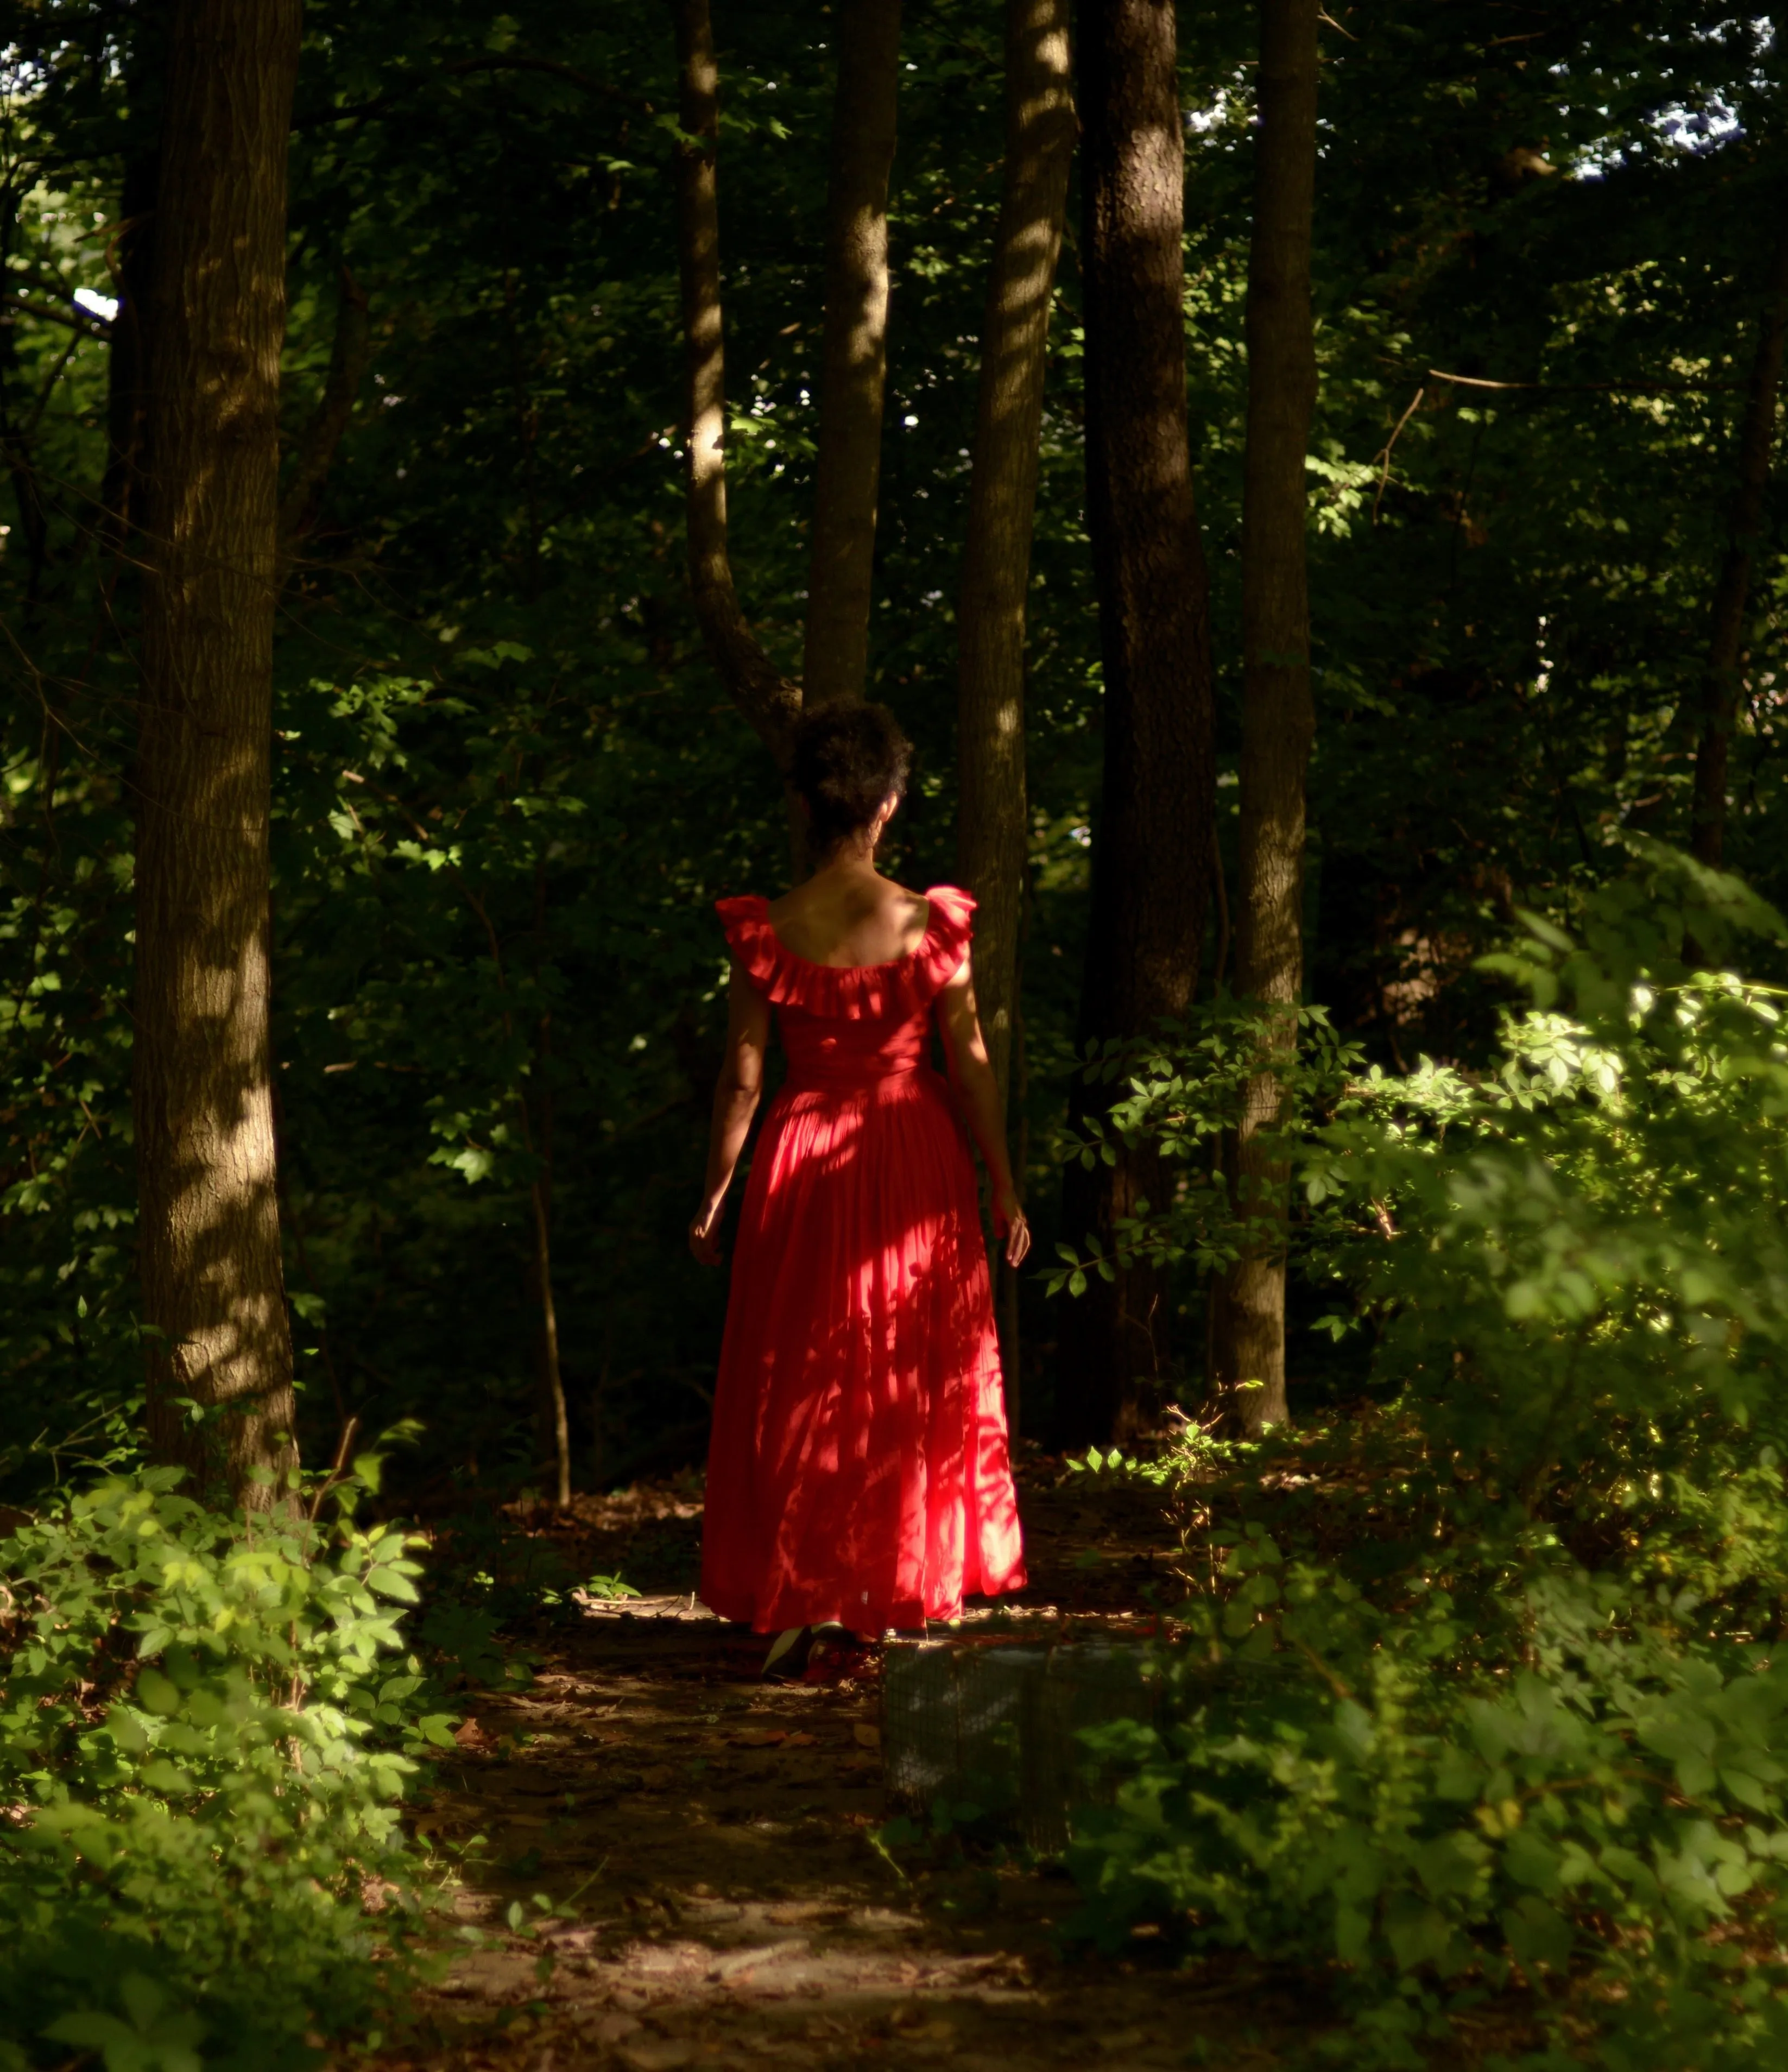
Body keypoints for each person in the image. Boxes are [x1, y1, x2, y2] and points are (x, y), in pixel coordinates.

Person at [689, 702, 1029, 1673]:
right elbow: (969, 1068)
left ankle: (805, 1593)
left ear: (804, 804)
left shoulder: (771, 928)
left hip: (804, 1151)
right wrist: (1003, 1185)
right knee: (908, 1353)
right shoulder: (932, 925)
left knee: (799, 1365)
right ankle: (901, 1584)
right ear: (886, 806)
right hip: (914, 1150)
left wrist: (717, 1187)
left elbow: (745, 1075)